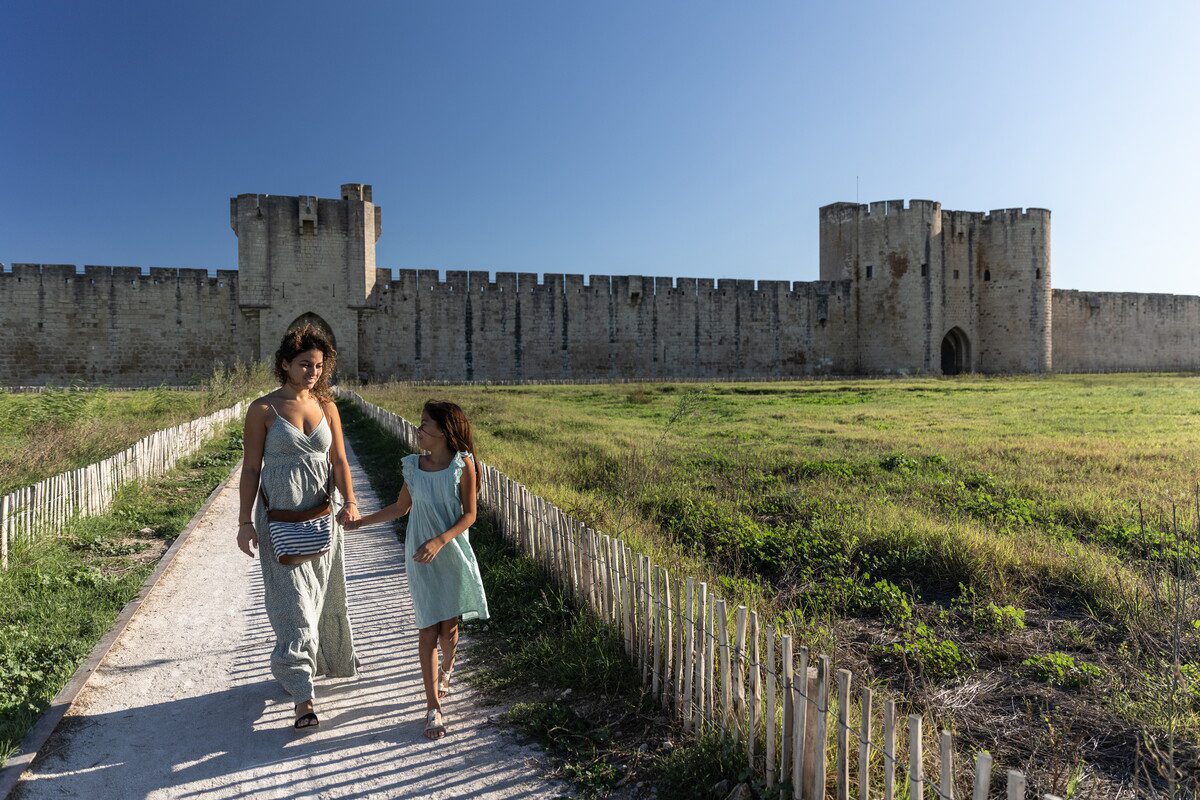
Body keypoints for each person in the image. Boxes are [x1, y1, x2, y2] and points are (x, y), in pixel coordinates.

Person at [236, 324, 360, 729]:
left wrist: (352, 502)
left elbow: (339, 461)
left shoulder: (328, 407)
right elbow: (252, 467)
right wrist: (243, 522)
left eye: (320, 366)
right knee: (293, 608)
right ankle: (303, 698)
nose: (313, 372)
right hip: (279, 521)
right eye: (305, 364)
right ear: (285, 364)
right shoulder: (263, 410)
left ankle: (316, 665)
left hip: (322, 518)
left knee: (322, 599)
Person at [348, 400, 489, 739]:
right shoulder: (412, 466)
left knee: (448, 630)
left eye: (424, 424)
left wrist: (440, 541)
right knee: (428, 630)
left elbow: (470, 515)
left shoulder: (463, 465)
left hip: (451, 552)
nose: (418, 429)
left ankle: (447, 669)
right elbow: (400, 507)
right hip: (419, 556)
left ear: (443, 430)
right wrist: (361, 521)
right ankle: (433, 708)